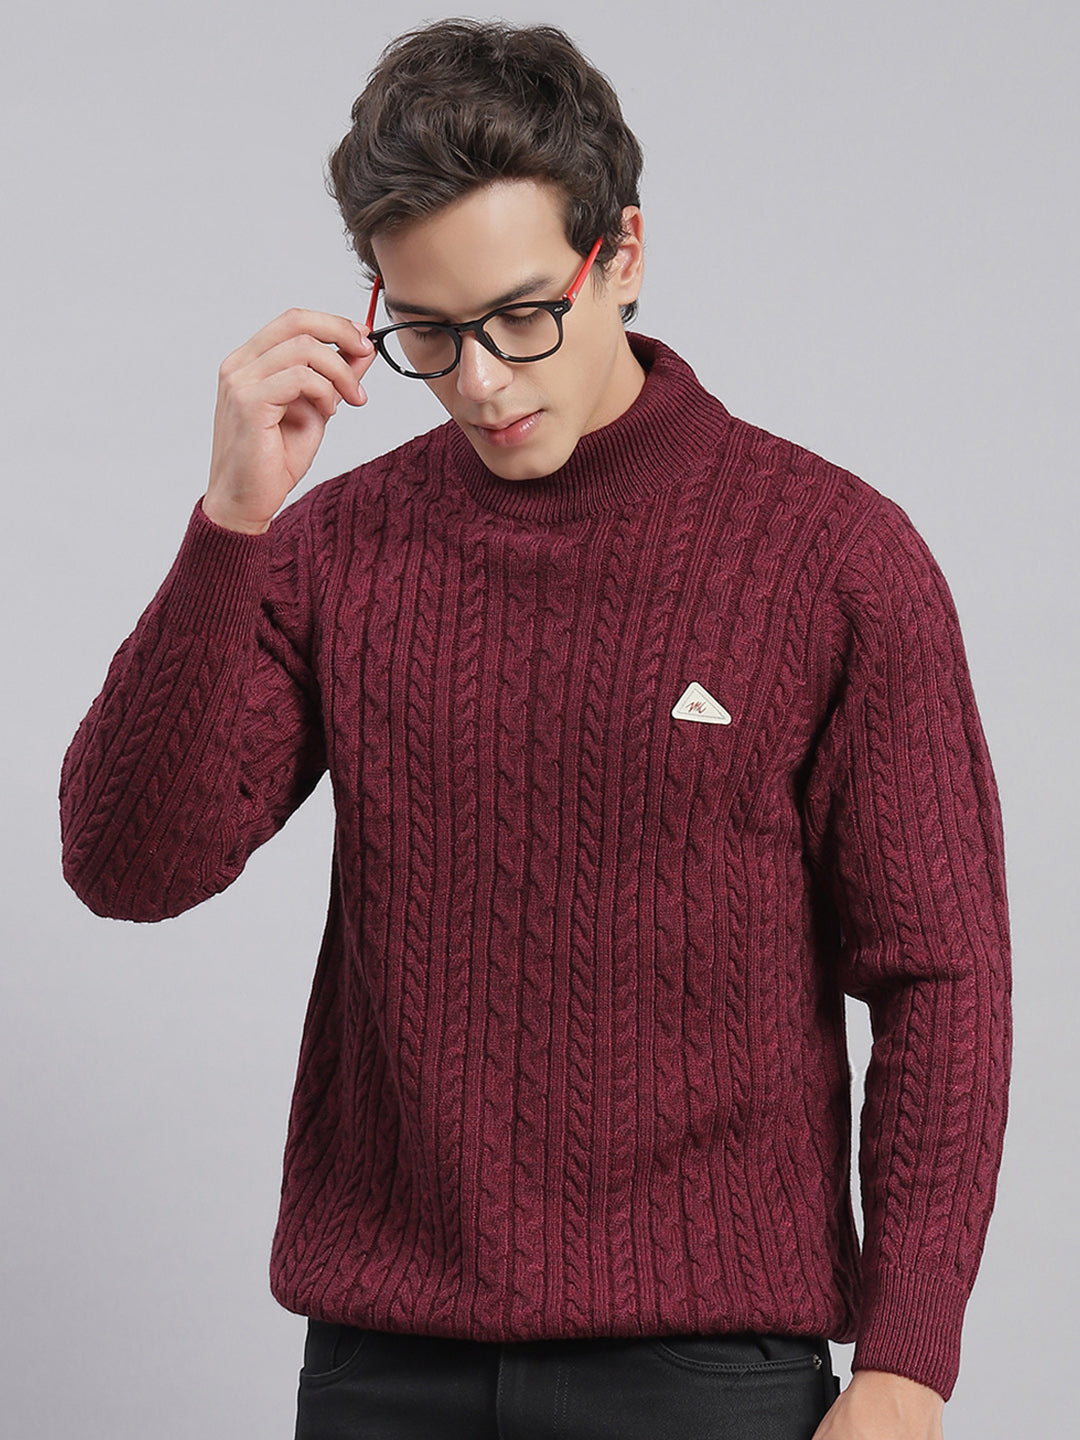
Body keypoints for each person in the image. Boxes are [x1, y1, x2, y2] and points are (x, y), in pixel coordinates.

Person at [59, 18, 1011, 1440]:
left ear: (621, 255)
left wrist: (906, 1364)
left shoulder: (834, 558)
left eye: (520, 317)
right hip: (383, 1369)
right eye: (428, 333)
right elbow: (129, 865)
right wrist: (231, 527)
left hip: (709, 1377)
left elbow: (942, 974)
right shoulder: (334, 551)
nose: (483, 382)